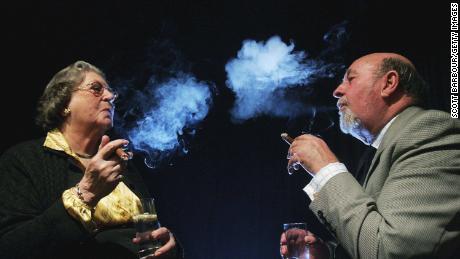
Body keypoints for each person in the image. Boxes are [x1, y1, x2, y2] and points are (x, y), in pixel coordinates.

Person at [281, 53, 460, 258]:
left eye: (350, 79)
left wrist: (326, 170)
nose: (337, 91)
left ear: (389, 83)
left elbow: (392, 252)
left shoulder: (432, 132)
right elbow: (374, 234)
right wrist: (328, 253)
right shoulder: (382, 150)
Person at [0, 61, 182, 258]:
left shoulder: (122, 164)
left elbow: (150, 233)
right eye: (96, 89)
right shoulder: (25, 160)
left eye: (111, 92)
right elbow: (11, 249)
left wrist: (170, 247)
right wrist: (85, 194)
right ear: (63, 104)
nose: (110, 96)